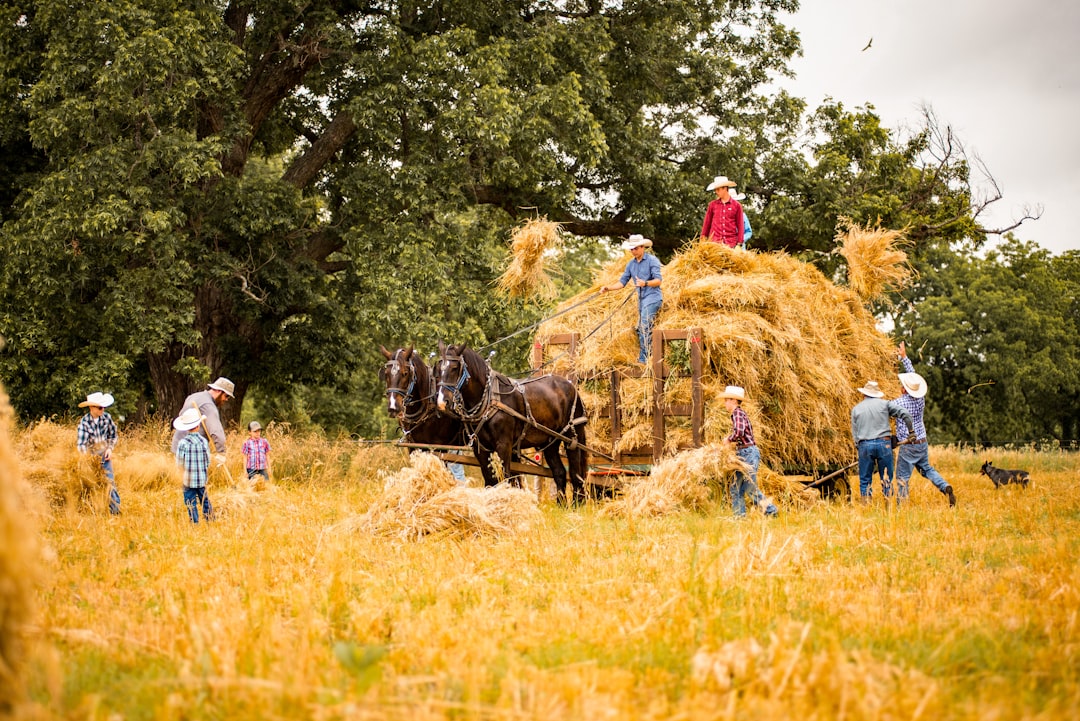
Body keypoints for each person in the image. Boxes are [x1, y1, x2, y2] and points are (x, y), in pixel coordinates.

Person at [894, 342, 956, 507]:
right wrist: (904, 358)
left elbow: (883, 409)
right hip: (922, 442)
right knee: (927, 469)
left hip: (908, 444)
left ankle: (902, 507)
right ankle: (944, 486)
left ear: (904, 390)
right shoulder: (920, 399)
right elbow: (913, 377)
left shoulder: (898, 403)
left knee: (902, 477)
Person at [599, 234, 663, 364]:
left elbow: (658, 281)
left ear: (642, 247)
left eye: (635, 248)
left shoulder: (652, 260)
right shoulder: (630, 265)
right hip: (642, 300)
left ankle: (644, 359)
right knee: (640, 327)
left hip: (653, 298)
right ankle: (647, 354)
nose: (633, 251)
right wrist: (608, 288)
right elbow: (622, 282)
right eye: (631, 249)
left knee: (644, 326)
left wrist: (645, 283)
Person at [851, 380, 914, 503]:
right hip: (884, 444)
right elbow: (905, 414)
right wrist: (911, 431)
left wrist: (860, 447)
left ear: (864, 394)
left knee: (865, 479)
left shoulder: (856, 409)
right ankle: (888, 505)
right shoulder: (885, 404)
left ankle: (866, 506)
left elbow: (855, 435)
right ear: (877, 394)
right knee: (886, 478)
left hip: (865, 445)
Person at [721, 386, 778, 517]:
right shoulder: (738, 414)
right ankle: (739, 517)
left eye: (726, 400)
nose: (725, 403)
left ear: (734, 401)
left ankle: (771, 511)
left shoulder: (737, 413)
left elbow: (739, 432)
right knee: (735, 487)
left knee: (749, 487)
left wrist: (728, 440)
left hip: (748, 453)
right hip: (743, 453)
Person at [76, 391, 121, 515]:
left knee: (110, 483)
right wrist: (88, 460)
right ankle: (91, 511)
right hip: (90, 459)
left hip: (105, 457)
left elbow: (113, 436)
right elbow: (81, 445)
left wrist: (109, 449)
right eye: (100, 407)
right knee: (91, 486)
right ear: (91, 407)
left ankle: (115, 512)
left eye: (104, 407)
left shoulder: (107, 418)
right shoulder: (84, 423)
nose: (103, 410)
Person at [171, 377, 234, 462]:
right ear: (219, 391)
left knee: (179, 475)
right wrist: (221, 452)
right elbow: (216, 432)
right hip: (193, 451)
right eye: (226, 396)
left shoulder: (193, 396)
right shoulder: (208, 406)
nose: (226, 399)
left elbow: (181, 415)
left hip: (177, 447)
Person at [174, 407, 214, 523]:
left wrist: (179, 473)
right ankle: (209, 519)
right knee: (205, 500)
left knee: (190, 502)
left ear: (186, 429)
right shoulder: (204, 442)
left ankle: (194, 522)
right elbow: (208, 460)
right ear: (198, 426)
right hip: (201, 479)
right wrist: (204, 469)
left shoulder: (183, 443)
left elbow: (179, 463)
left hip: (187, 480)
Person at [700, 175, 745, 248]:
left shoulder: (737, 206)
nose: (716, 192)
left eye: (718, 189)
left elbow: (740, 226)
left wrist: (739, 243)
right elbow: (707, 224)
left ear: (725, 188)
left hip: (731, 244)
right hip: (715, 244)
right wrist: (702, 239)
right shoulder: (712, 205)